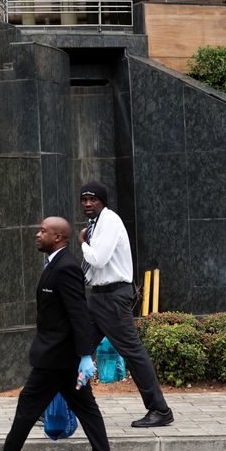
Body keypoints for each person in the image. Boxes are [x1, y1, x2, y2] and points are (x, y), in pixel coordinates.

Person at [0, 217, 117, 451]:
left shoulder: (67, 268)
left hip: (58, 357)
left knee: (29, 405)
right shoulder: (55, 264)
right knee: (86, 409)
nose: (37, 235)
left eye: (43, 231)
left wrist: (87, 355)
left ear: (59, 237)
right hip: (61, 358)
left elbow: (78, 314)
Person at [77, 181, 173, 428]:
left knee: (133, 352)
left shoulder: (109, 222)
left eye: (93, 199)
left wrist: (82, 243)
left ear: (103, 201)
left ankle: (160, 410)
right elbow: (91, 270)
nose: (88, 204)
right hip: (98, 297)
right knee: (73, 346)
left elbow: (97, 260)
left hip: (113, 297)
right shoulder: (95, 225)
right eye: (84, 199)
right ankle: (58, 404)